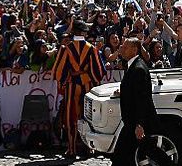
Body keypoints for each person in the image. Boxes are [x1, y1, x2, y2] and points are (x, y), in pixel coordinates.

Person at [51, 20, 105, 157]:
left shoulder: (66, 48)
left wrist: (71, 74)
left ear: (73, 32)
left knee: (71, 117)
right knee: (88, 117)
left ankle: (71, 148)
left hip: (72, 85)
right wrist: (85, 74)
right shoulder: (92, 49)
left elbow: (58, 72)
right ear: (82, 32)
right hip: (87, 85)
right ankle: (89, 147)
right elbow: (99, 72)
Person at [113, 37, 158, 166]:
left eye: (125, 47)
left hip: (135, 123)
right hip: (130, 122)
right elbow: (134, 90)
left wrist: (140, 124)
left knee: (121, 157)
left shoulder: (138, 68)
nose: (122, 49)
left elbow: (142, 98)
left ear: (134, 50)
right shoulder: (132, 65)